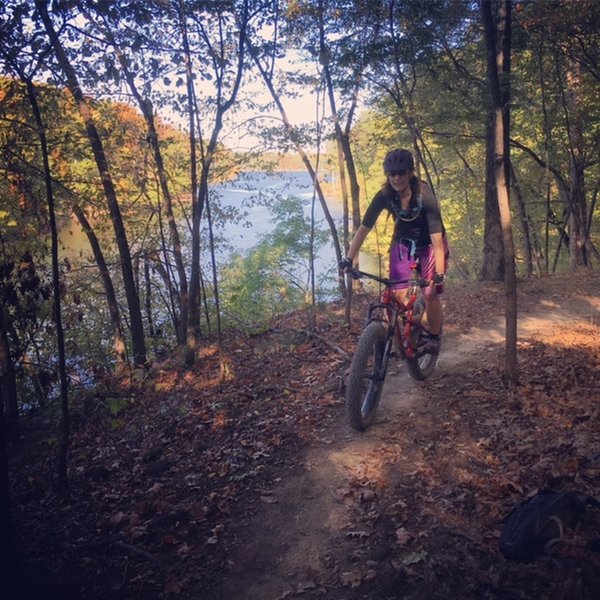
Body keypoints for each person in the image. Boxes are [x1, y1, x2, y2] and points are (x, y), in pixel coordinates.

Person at [339, 148, 449, 354]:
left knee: (429, 292)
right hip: (403, 241)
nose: (396, 178)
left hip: (429, 244)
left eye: (401, 173)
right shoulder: (384, 196)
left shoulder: (424, 196)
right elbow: (364, 228)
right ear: (387, 175)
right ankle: (396, 333)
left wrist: (439, 274)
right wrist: (349, 258)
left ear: (410, 173)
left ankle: (434, 336)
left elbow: (437, 240)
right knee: (396, 292)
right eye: (392, 174)